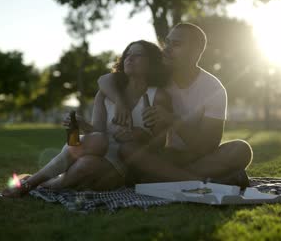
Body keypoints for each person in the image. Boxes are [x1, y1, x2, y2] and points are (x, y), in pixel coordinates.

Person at [0, 40, 171, 197]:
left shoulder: (158, 95)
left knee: (87, 164)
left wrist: (137, 135)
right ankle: (32, 184)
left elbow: (160, 143)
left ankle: (41, 184)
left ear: (152, 63)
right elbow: (98, 131)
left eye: (138, 55)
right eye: (127, 54)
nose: (129, 58)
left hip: (125, 161)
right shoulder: (105, 94)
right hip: (101, 147)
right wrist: (82, 125)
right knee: (97, 142)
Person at [98, 23, 253, 188]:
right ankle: (203, 181)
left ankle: (162, 179)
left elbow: (208, 146)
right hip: (162, 155)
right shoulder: (158, 75)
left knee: (240, 149)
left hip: (197, 156)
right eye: (167, 42)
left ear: (196, 52)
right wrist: (119, 102)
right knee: (129, 150)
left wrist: (172, 120)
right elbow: (106, 79)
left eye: (176, 44)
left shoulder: (213, 89)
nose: (167, 49)